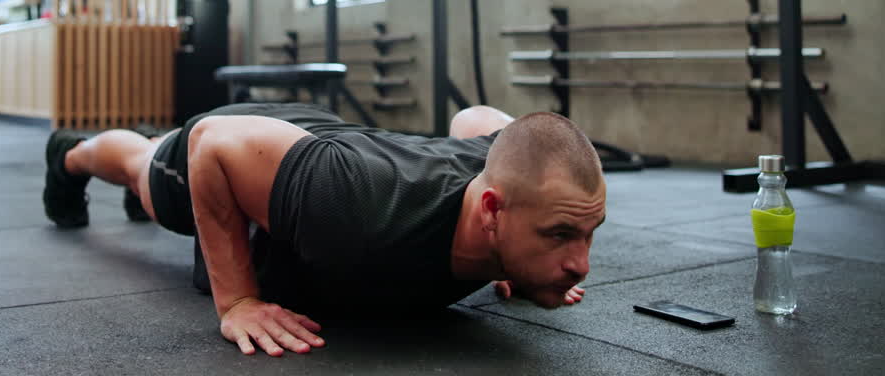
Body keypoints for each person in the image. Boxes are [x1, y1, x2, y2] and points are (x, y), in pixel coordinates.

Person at [43, 102, 606, 358]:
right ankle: (69, 155)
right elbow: (213, 142)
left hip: (316, 149)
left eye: (586, 235)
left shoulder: (505, 191)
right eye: (560, 235)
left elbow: (481, 121)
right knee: (147, 170)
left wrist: (515, 255)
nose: (582, 262)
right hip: (250, 141)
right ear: (490, 210)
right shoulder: (357, 205)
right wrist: (237, 300)